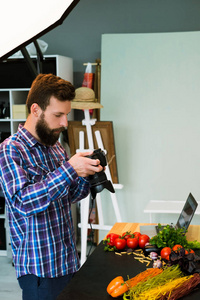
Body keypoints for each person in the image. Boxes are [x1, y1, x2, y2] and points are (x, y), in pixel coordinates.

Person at [0, 73, 103, 300]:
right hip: (40, 271)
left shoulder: (55, 146)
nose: (65, 123)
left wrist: (86, 174)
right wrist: (69, 170)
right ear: (36, 110)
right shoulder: (11, 150)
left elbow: (70, 196)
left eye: (66, 115)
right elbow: (22, 202)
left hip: (67, 261)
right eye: (58, 115)